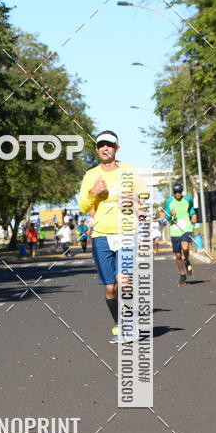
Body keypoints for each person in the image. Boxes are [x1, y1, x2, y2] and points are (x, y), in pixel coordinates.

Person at [78, 130, 146, 343]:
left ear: (117, 148)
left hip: (126, 232)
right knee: (110, 287)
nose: (105, 148)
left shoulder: (129, 171)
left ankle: (129, 324)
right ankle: (120, 323)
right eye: (101, 145)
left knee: (124, 280)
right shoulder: (91, 175)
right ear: (97, 149)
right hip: (101, 235)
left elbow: (143, 198)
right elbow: (83, 206)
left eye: (109, 145)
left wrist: (134, 201)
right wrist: (93, 192)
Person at [164, 183, 196, 285]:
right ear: (173, 193)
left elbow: (191, 209)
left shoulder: (188, 199)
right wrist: (170, 215)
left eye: (179, 192)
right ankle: (182, 274)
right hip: (175, 230)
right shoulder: (169, 201)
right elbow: (167, 217)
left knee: (185, 247)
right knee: (178, 255)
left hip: (186, 228)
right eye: (176, 192)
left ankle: (186, 260)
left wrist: (193, 215)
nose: (178, 194)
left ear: (182, 192)